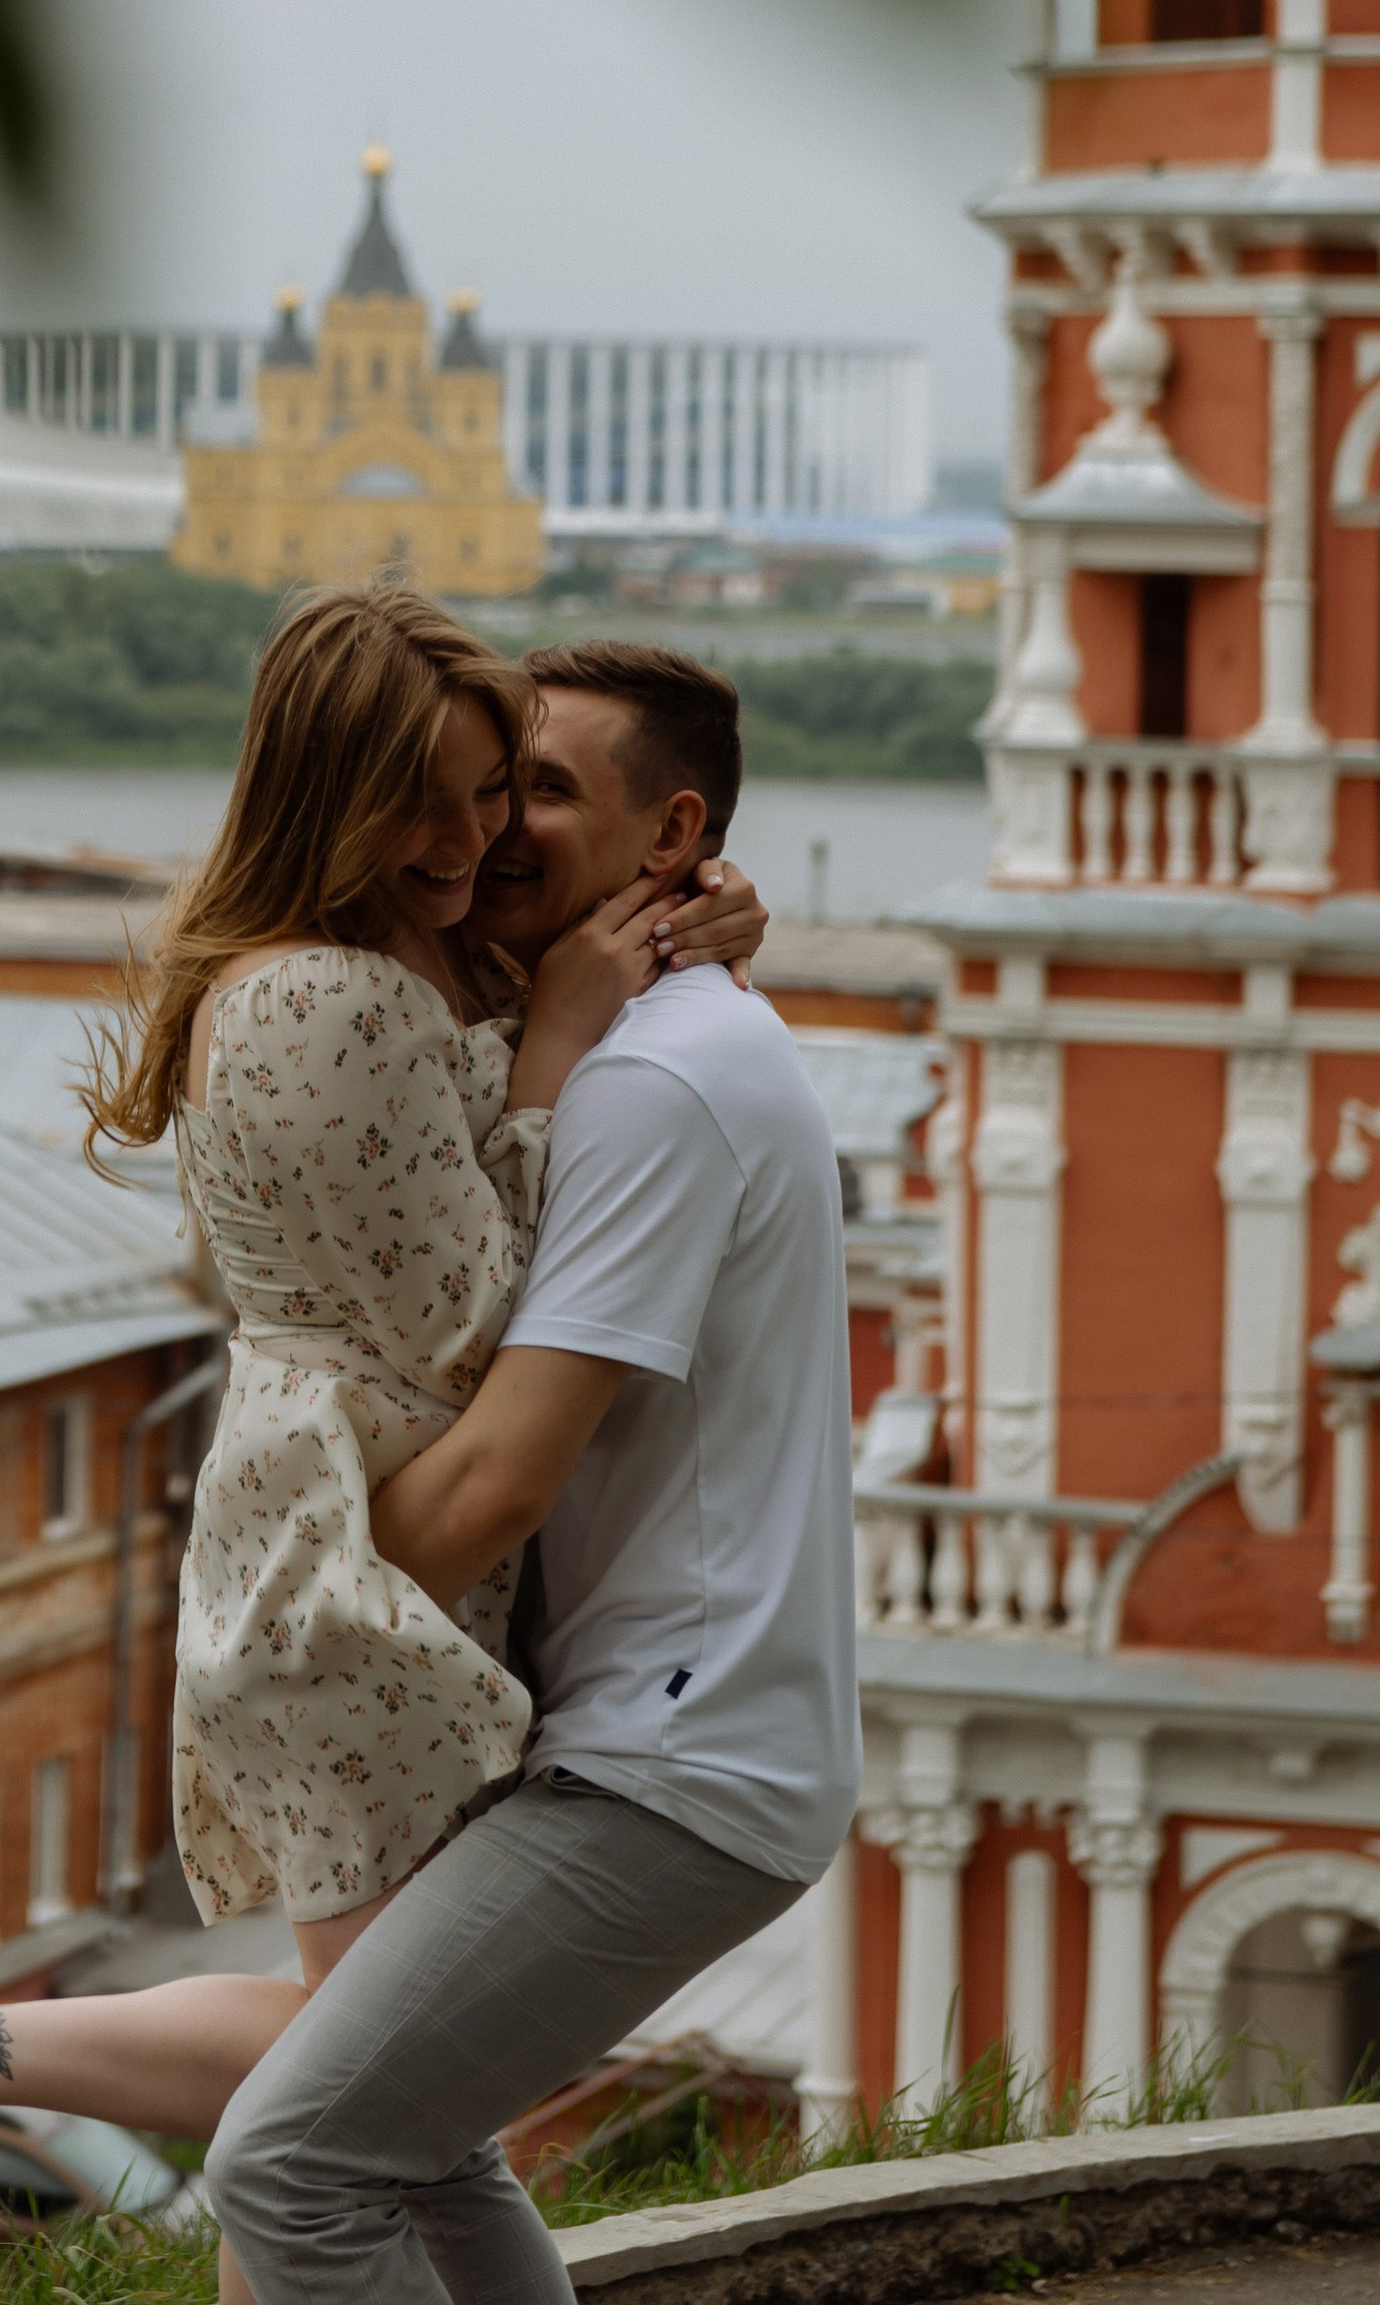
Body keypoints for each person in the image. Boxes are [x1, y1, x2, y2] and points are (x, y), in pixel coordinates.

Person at [0, 593, 767, 2195]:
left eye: (492, 788)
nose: (469, 834)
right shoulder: (321, 1003)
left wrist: (703, 921)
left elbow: (524, 1066)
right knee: (365, 2088)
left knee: (396, 2093)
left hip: (373, 1551)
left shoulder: (411, 951)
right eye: (429, 796)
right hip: (354, 1566)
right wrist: (557, 1042)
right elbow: (486, 1325)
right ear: (327, 795)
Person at [199, 640, 860, 2305]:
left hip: (666, 1752)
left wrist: (297, 1606)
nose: (486, 832)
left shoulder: (640, 1076)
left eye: (530, 792)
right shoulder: (612, 1025)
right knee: (410, 2152)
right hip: (657, 1734)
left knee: (287, 2166)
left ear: (671, 834)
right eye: (478, 790)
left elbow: (496, 1472)